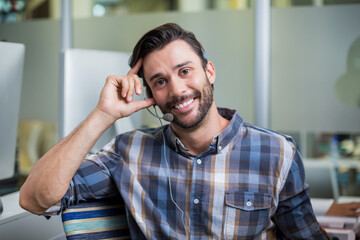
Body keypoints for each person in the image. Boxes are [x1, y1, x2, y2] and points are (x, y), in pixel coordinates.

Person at [19, 23, 331, 239]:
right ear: (150, 93)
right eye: (160, 80)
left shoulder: (276, 151)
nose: (178, 90)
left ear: (209, 71)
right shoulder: (128, 152)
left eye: (185, 71)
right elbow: (35, 199)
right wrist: (103, 115)